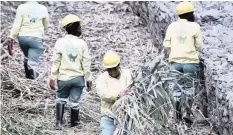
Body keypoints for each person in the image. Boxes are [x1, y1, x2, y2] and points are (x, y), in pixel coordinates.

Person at [49, 14, 93, 130]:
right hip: (78, 79)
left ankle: (59, 123)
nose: (80, 29)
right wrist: (89, 79)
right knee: (75, 101)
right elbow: (86, 63)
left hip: (63, 78)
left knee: (60, 98)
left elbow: (56, 62)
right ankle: (74, 123)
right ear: (75, 27)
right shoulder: (82, 43)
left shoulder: (60, 42)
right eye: (79, 26)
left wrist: (52, 77)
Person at [163, 2, 203, 124]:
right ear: (190, 14)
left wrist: (177, 46)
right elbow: (199, 46)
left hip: (175, 62)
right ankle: (187, 113)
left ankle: (177, 114)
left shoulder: (171, 26)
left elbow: (166, 44)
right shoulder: (195, 26)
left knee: (177, 88)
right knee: (189, 88)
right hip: (190, 62)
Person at [8, 1, 49, 79]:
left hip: (23, 38)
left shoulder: (21, 7)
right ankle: (33, 84)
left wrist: (12, 37)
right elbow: (46, 24)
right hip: (36, 38)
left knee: (27, 57)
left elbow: (17, 24)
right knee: (33, 62)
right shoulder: (43, 8)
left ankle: (27, 78)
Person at [96, 51, 132, 135]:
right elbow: (103, 94)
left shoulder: (127, 74)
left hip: (126, 115)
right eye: (109, 69)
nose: (113, 72)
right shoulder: (101, 79)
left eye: (114, 68)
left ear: (118, 65)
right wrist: (118, 95)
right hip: (109, 115)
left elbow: (131, 88)